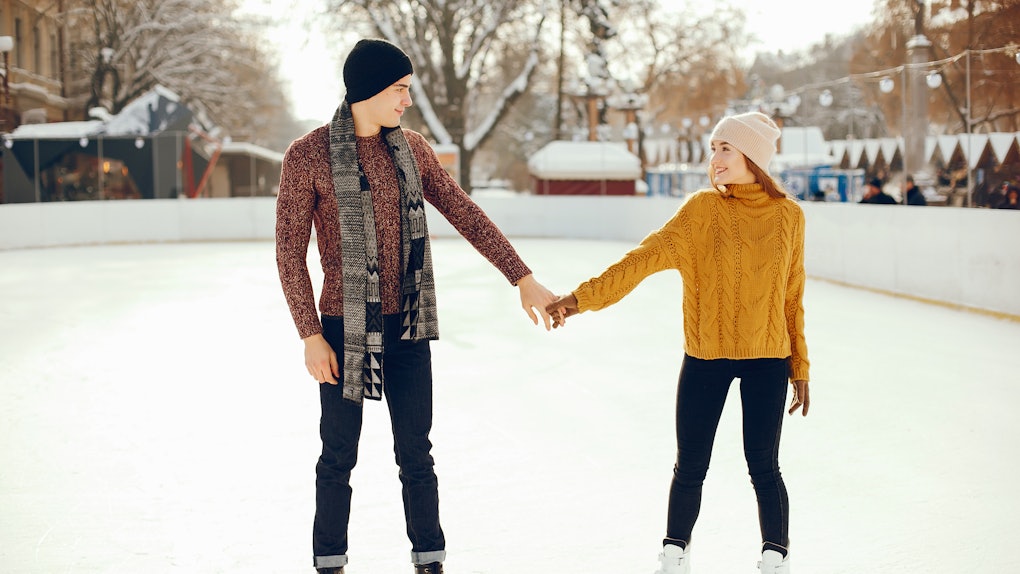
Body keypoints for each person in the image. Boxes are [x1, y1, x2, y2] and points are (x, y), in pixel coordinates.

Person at [275, 38, 558, 574]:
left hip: (407, 324)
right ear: (370, 90)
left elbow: (464, 212)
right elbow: (289, 254)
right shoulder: (307, 155)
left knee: (416, 455)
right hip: (341, 328)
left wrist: (520, 275)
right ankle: (329, 562)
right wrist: (310, 335)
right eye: (400, 89)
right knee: (338, 458)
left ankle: (430, 559)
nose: (407, 101)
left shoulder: (411, 150)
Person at [545, 111, 810, 574]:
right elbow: (641, 260)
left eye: (724, 148)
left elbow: (792, 297)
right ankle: (674, 554)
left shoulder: (789, 217)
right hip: (705, 356)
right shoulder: (700, 212)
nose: (715, 159)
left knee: (763, 465)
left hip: (768, 358)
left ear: (753, 157)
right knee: (690, 463)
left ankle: (775, 557)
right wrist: (580, 298)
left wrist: (800, 367)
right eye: (713, 149)